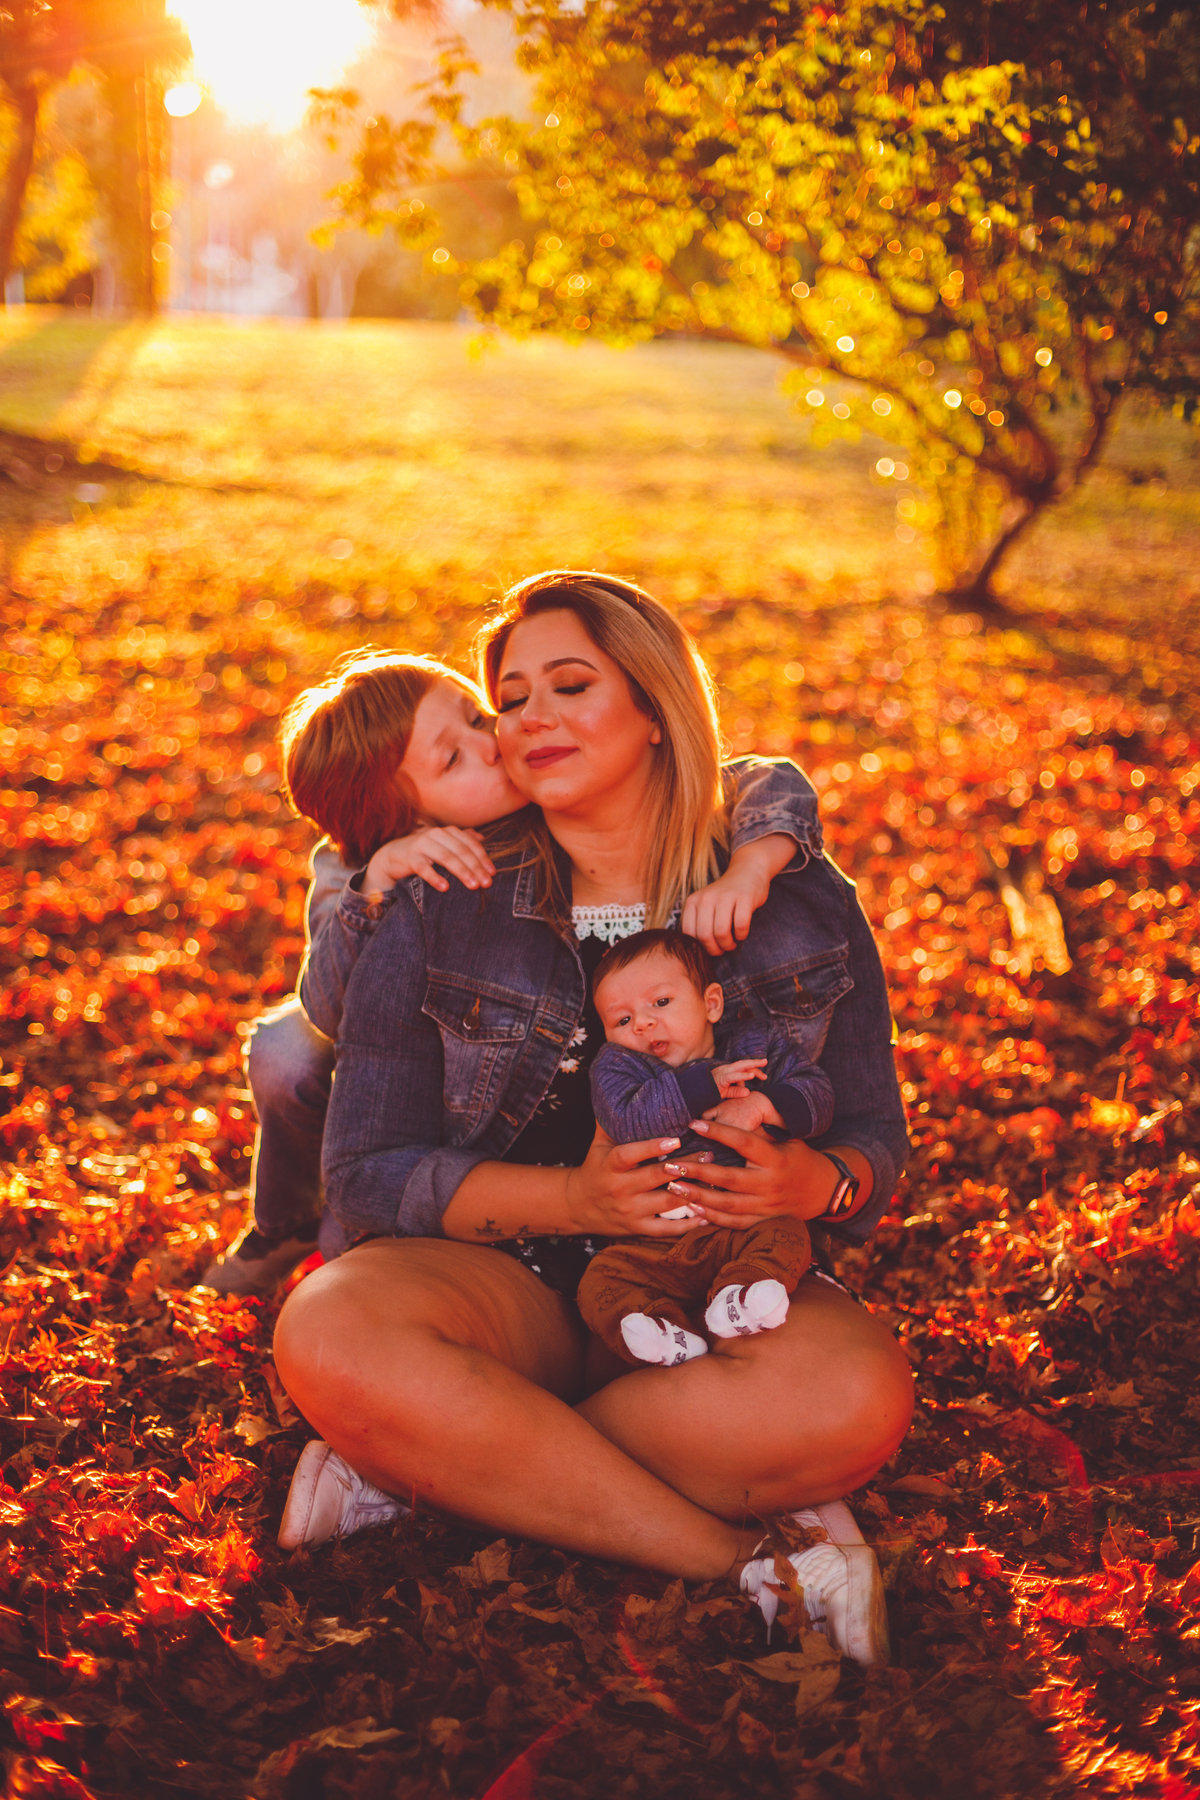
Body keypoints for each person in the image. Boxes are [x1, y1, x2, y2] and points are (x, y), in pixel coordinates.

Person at [272, 572, 912, 1668]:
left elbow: (873, 1145)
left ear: (654, 708)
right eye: (509, 699)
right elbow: (366, 1172)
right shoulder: (443, 889)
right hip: (498, 1284)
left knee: (858, 1398)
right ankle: (745, 1562)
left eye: (571, 684)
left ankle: (431, 1461)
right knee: (329, 1329)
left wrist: (813, 1185)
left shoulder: (794, 899)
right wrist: (571, 1197)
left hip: (708, 1292)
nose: (531, 718)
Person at [201, 649, 821, 1292]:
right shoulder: (360, 867)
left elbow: (763, 778)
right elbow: (330, 1007)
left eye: (476, 716)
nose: (488, 744)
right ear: (412, 817)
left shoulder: (545, 789)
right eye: (452, 757)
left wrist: (752, 866)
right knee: (285, 1053)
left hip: (465, 1077)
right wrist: (382, 877)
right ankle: (285, 1220)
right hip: (370, 1063)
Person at [578, 926, 831, 1366]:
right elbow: (626, 1121)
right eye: (622, 1020)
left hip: (743, 1224)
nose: (641, 1022)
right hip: (654, 1243)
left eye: (660, 1002)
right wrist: (701, 1087)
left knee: (788, 1235)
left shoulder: (757, 1047)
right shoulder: (618, 1069)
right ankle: (661, 1331)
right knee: (600, 1280)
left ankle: (742, 1295)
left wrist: (761, 1106)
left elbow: (820, 1097)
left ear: (711, 1003)